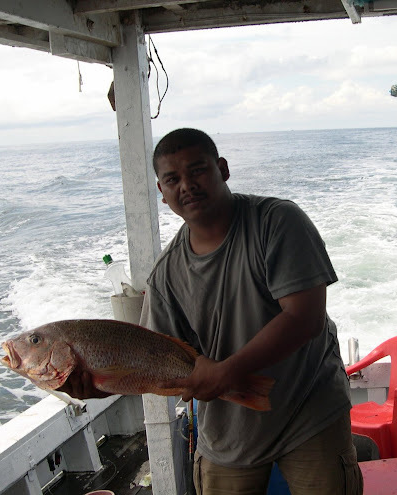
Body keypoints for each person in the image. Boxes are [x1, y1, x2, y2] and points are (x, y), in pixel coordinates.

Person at [141, 128, 363, 495]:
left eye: (197, 170)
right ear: (162, 194)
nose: (186, 185)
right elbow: (160, 359)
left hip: (308, 410)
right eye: (172, 179)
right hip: (230, 428)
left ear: (223, 169)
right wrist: (99, 384)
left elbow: (305, 317)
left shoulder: (278, 221)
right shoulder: (165, 275)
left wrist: (226, 372)